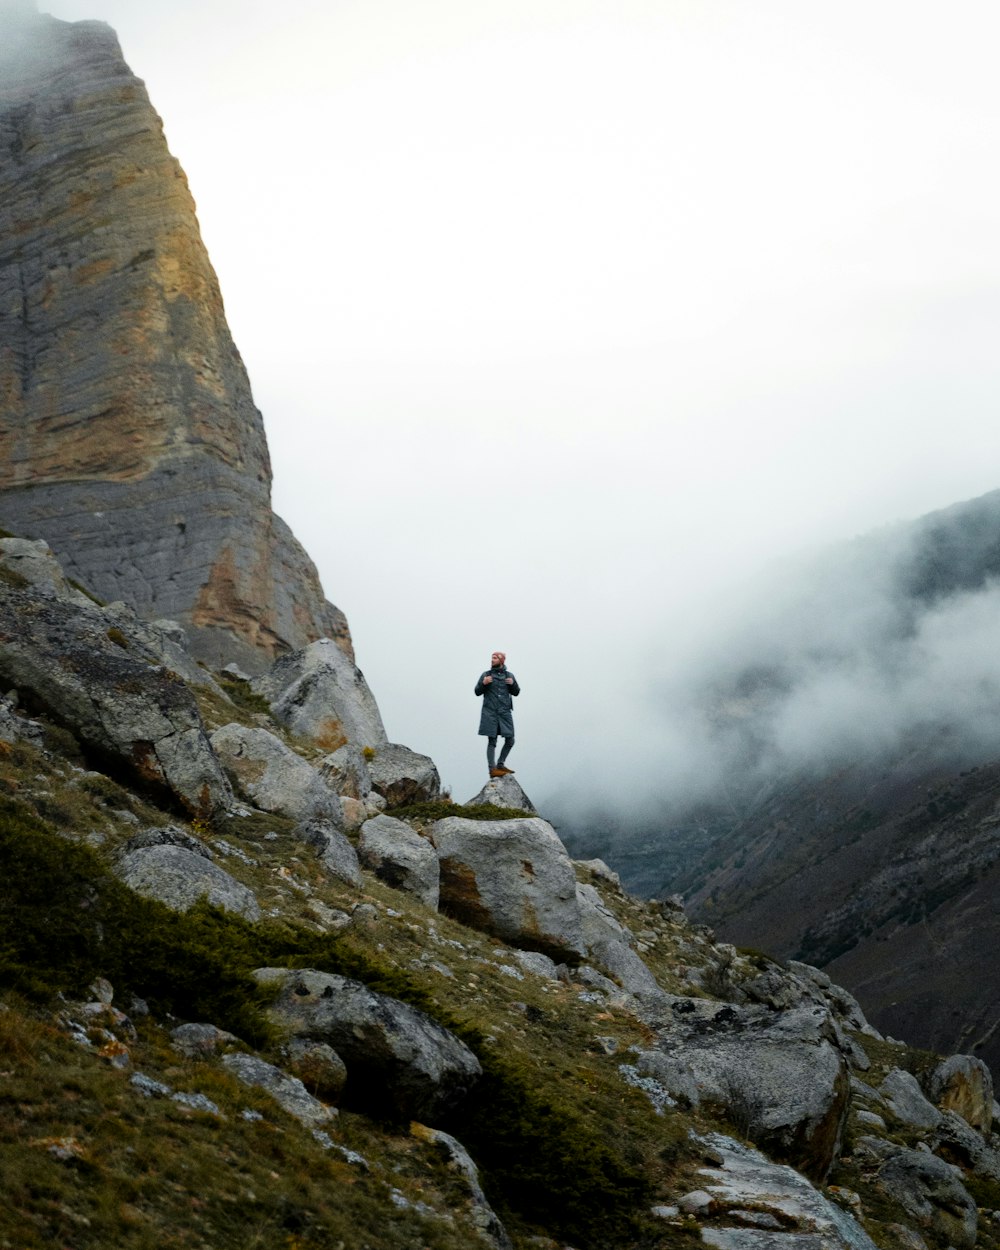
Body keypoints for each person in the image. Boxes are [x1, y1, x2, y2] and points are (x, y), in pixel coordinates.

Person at [475, 650, 520, 777]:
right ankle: (492, 769)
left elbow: (516, 692)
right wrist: (483, 684)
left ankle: (500, 764)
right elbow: (477, 691)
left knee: (510, 740)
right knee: (492, 741)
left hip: (505, 713)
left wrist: (513, 684)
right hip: (490, 712)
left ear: (501, 660)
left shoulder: (509, 675)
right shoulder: (486, 675)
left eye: (495, 658)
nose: (492, 660)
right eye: (492, 657)